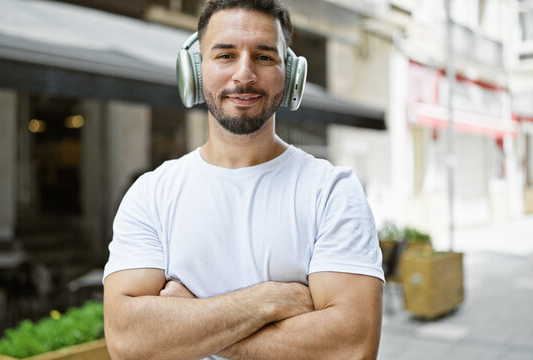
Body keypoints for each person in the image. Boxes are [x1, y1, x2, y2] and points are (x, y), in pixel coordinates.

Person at [102, 0, 384, 359]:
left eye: (265, 57)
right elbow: (129, 342)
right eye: (225, 55)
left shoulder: (331, 191)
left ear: (292, 74)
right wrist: (271, 300)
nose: (244, 75)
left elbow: (351, 347)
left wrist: (187, 326)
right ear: (195, 70)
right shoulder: (151, 194)